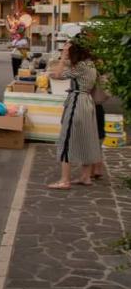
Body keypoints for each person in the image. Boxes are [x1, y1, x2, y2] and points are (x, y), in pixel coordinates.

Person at [48, 40, 101, 189]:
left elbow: (57, 75)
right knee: (87, 138)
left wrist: (63, 57)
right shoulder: (90, 64)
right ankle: (85, 176)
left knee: (67, 139)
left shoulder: (80, 66)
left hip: (77, 102)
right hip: (88, 102)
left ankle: (65, 180)